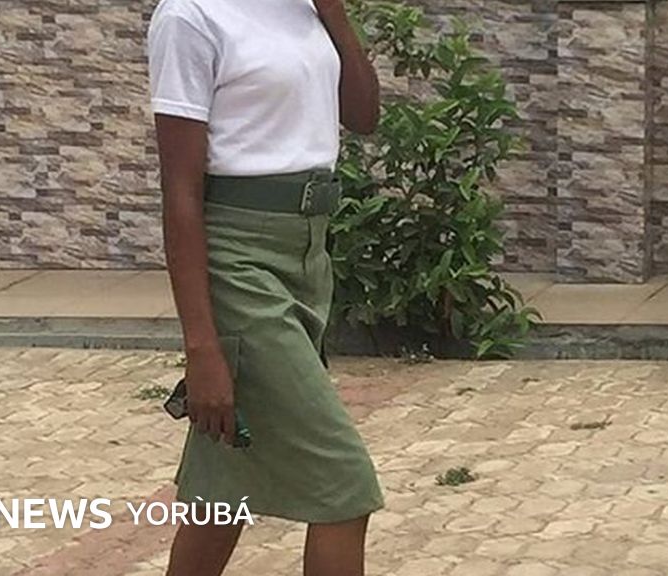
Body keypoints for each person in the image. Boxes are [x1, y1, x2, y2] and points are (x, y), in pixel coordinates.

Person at [146, 0, 384, 574]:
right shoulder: (190, 17)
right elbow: (180, 192)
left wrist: (333, 14)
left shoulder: (304, 9)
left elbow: (364, 114)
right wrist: (202, 349)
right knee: (344, 485)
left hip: (308, 254)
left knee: (223, 488)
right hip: (239, 260)